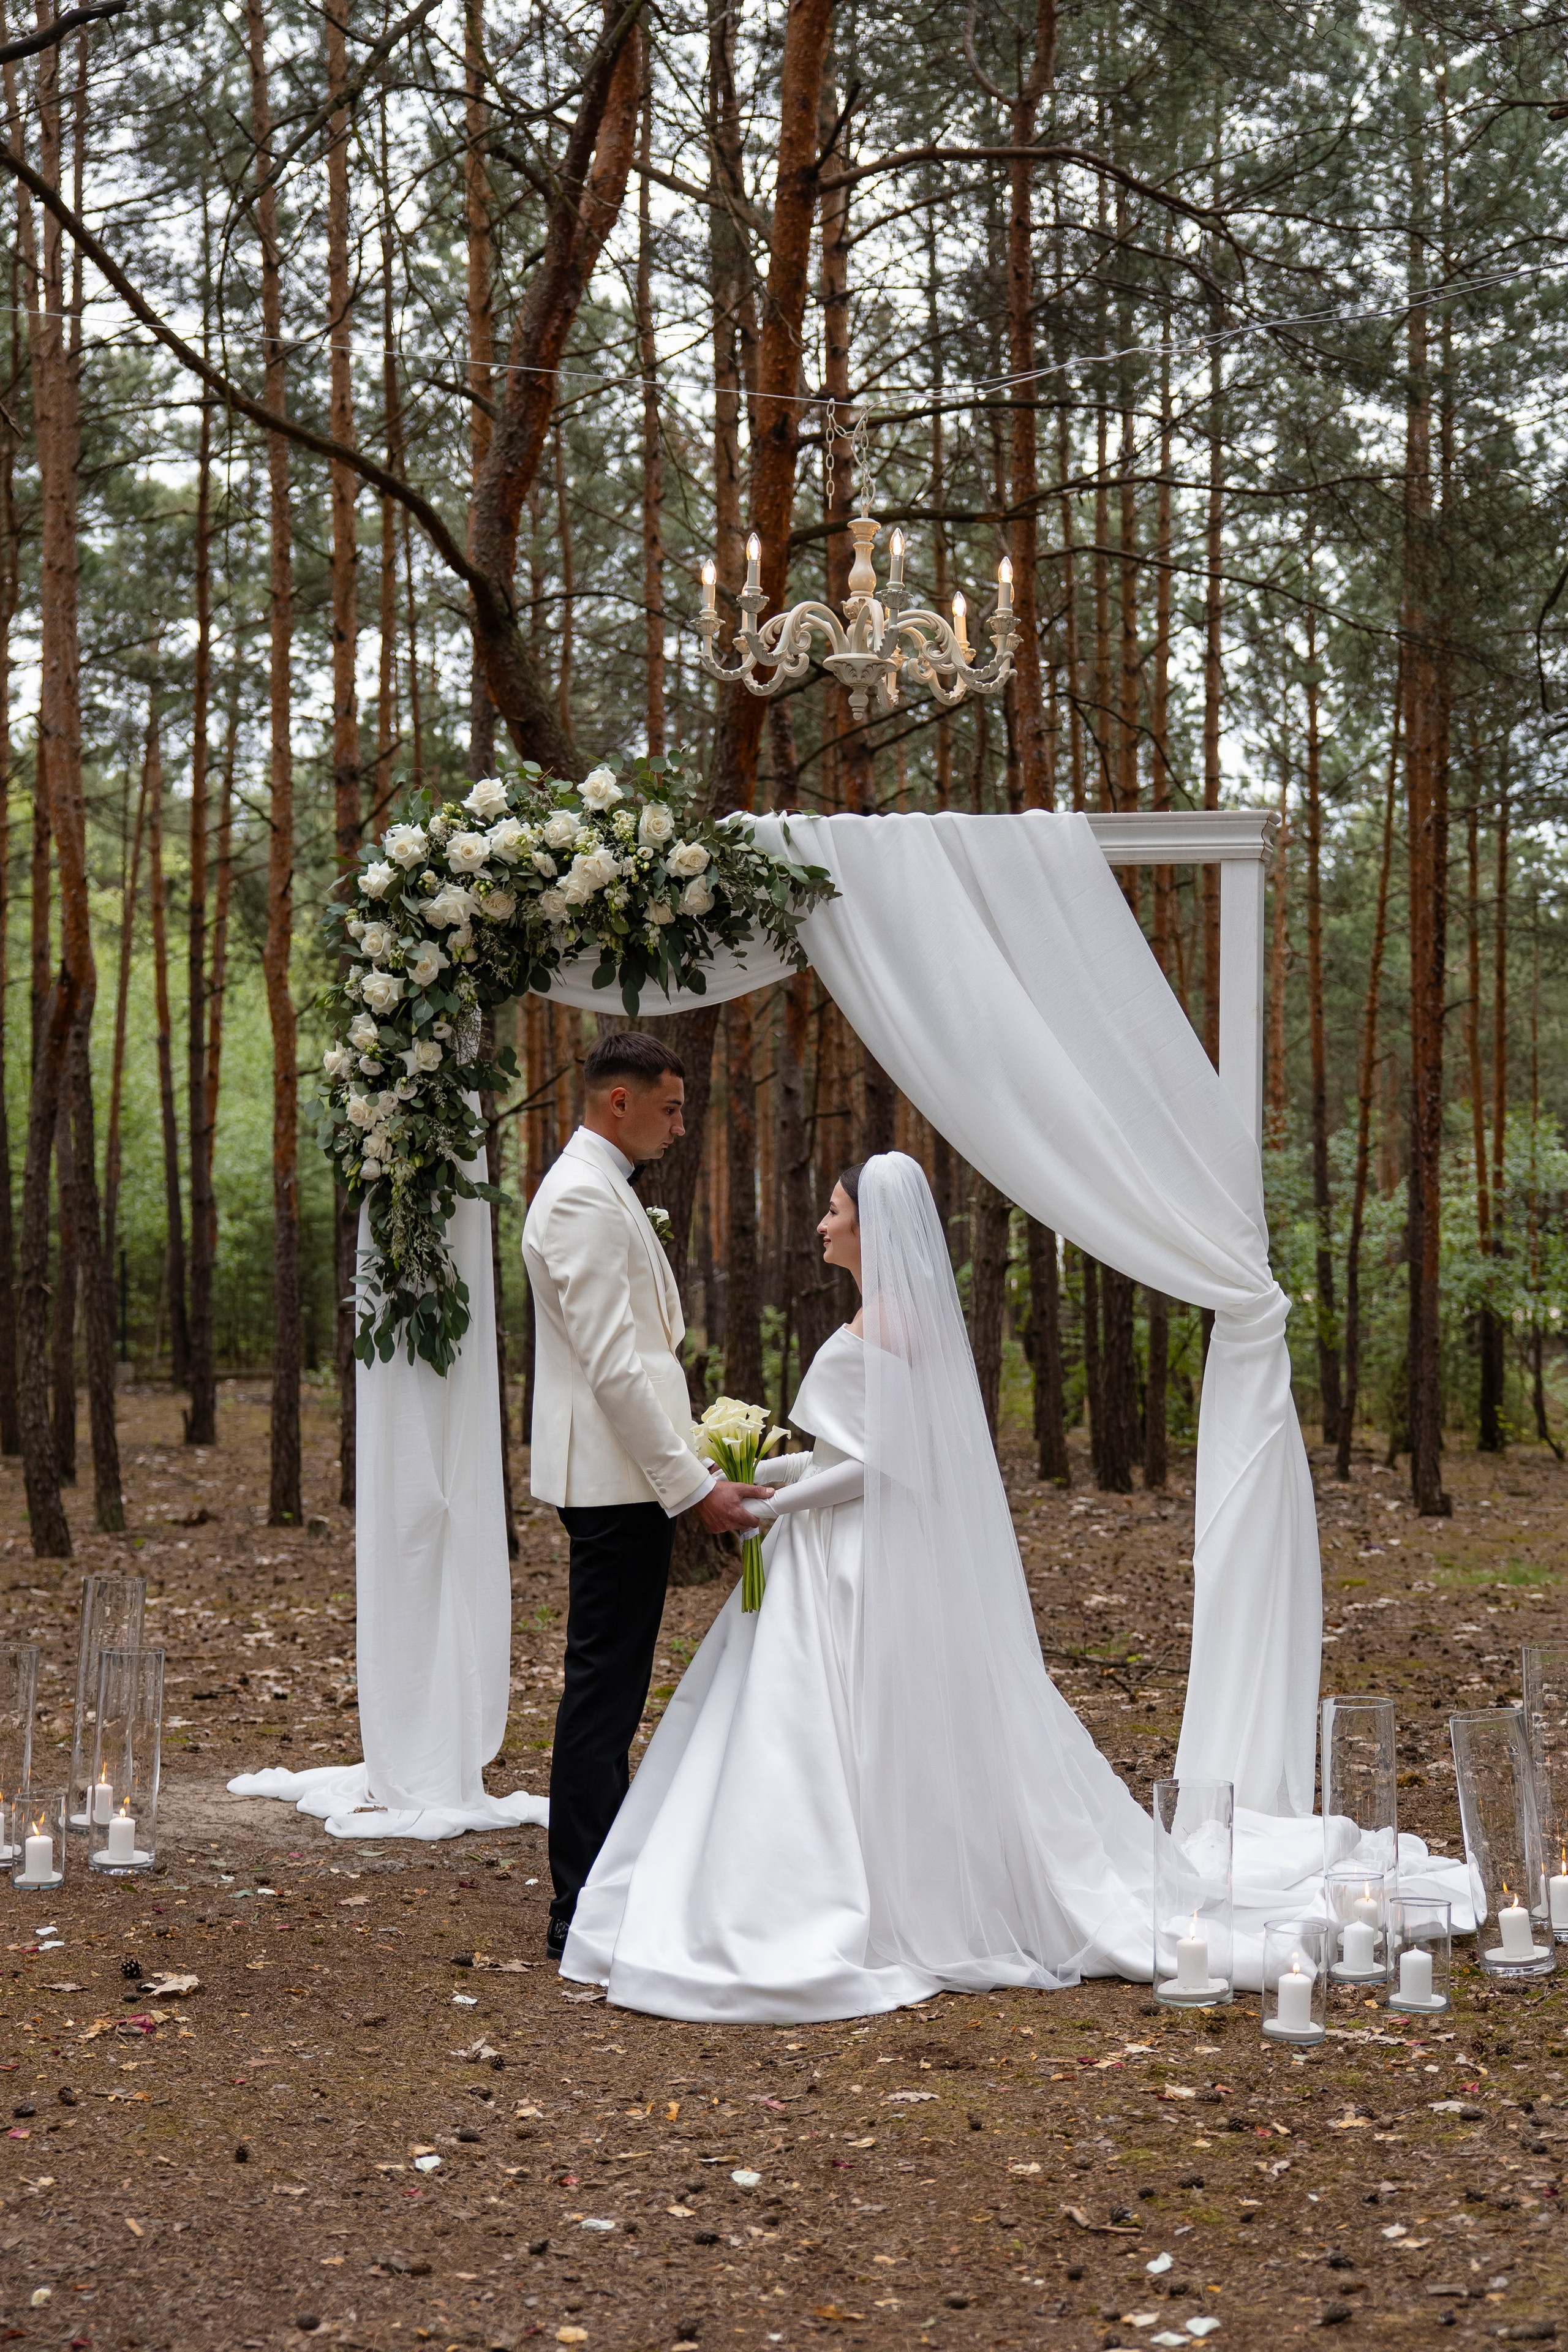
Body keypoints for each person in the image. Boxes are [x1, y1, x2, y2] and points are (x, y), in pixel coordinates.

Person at [560, 1149, 1154, 2021]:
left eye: (835, 1212)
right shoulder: (886, 1318)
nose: (823, 1225)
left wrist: (774, 1507)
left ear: (871, 1229)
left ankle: (820, 1891)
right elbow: (848, 1451)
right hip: (833, 1537)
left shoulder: (886, 1325)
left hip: (850, 1551)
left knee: (822, 1717)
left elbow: (883, 1466)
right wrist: (769, 1471)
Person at [522, 1030, 767, 1961]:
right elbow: (614, 1366)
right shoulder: (582, 1196)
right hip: (617, 1480)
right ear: (616, 1102)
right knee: (604, 1689)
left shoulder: (603, 1185)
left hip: (629, 1474)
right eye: (669, 1107)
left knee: (615, 1685)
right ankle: (581, 1904)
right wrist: (690, 1484)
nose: (680, 1124)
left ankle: (604, 1882)